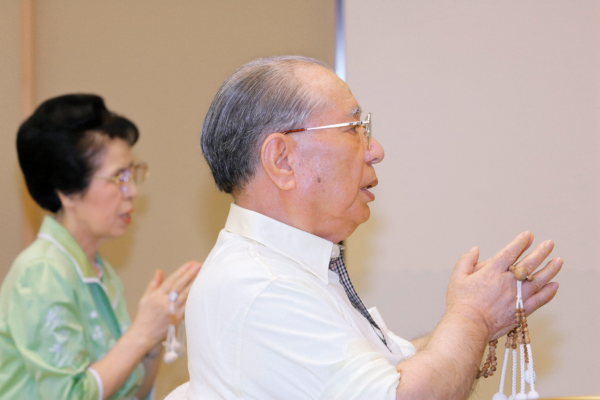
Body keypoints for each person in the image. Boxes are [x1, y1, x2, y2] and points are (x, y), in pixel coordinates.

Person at [183, 56, 562, 400]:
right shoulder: (264, 286)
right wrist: (472, 318)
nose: (375, 149)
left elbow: (393, 369)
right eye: (354, 128)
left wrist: (480, 317)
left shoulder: (291, 268)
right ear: (282, 160)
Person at [0, 94, 202, 400]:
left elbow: (131, 393)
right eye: (119, 177)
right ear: (68, 190)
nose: (131, 191)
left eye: (132, 174)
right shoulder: (42, 272)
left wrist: (154, 337)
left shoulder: (98, 269)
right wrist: (141, 333)